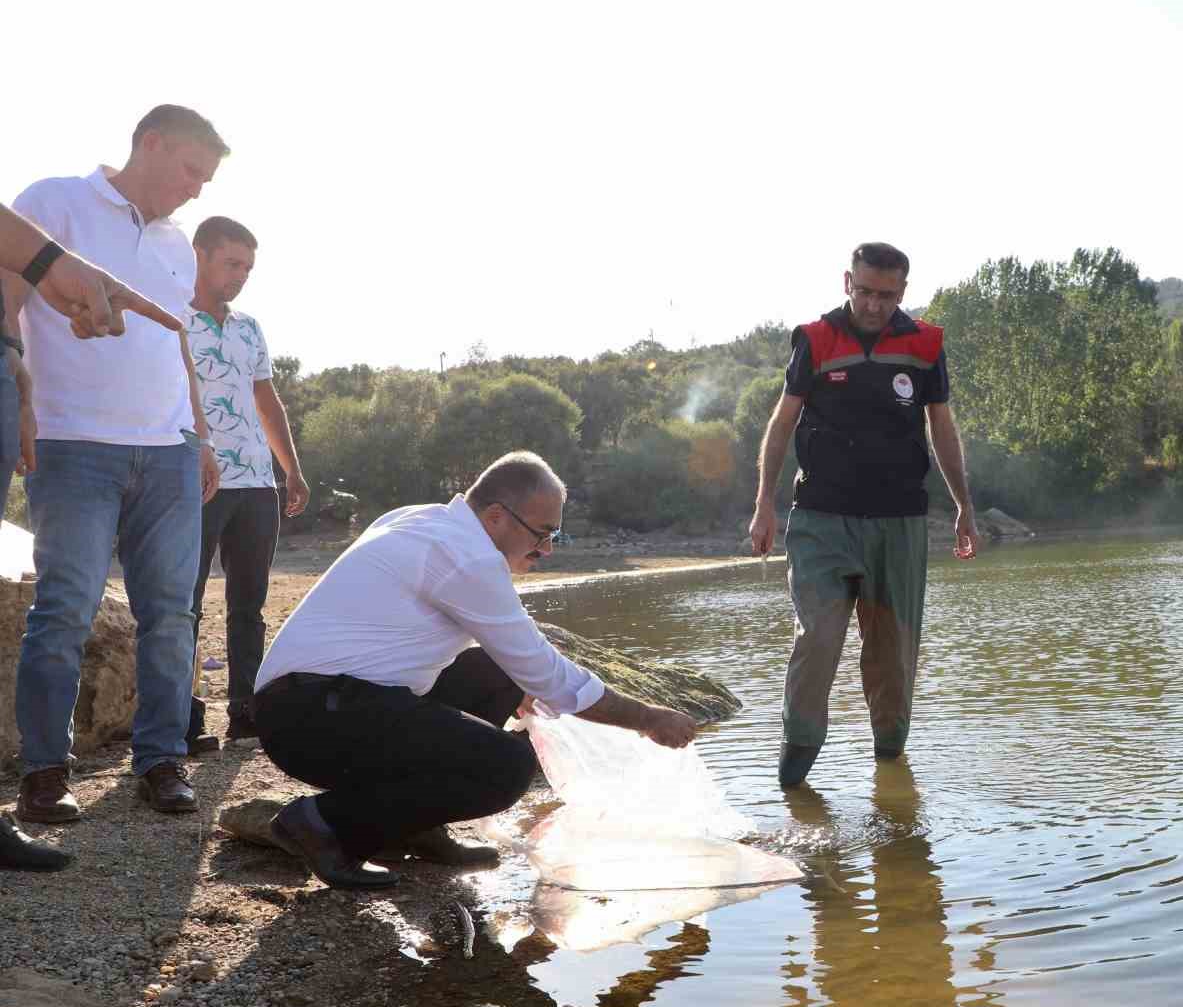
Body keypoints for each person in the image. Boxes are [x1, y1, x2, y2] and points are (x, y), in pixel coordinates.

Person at [253, 450, 699, 890]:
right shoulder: (468, 559)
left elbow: (517, 662)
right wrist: (648, 718)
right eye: (542, 533)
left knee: (499, 671)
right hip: (308, 717)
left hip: (315, 702)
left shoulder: (424, 518)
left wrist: (522, 682)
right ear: (495, 517)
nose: (546, 549)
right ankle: (323, 825)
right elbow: (549, 677)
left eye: (554, 537)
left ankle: (410, 826)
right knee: (504, 768)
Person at [1, 104, 225, 833]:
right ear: (149, 143)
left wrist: (198, 434)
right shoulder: (52, 201)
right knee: (63, 609)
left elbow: (176, 342)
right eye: (192, 169)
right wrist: (19, 389)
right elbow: (8, 298)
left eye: (207, 179)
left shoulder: (180, 245)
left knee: (172, 615)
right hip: (71, 445)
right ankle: (44, 772)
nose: (197, 189)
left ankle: (160, 760)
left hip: (167, 453)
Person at [748, 242, 979, 790]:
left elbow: (941, 428)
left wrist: (965, 506)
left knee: (893, 658)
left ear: (903, 291)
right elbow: (783, 424)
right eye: (866, 291)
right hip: (822, 519)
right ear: (847, 282)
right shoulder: (815, 340)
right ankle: (794, 775)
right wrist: (763, 502)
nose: (875, 304)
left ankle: (891, 776)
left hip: (899, 520)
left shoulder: (924, 345)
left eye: (888, 294)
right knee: (818, 640)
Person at [184, 216, 308, 748]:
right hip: (193, 477)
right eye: (232, 263)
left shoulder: (248, 327)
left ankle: (245, 712)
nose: (240, 276)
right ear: (200, 255)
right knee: (183, 603)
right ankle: (182, 719)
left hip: (257, 482)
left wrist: (291, 469)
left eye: (248, 268)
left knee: (248, 602)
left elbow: (266, 400)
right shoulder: (169, 318)